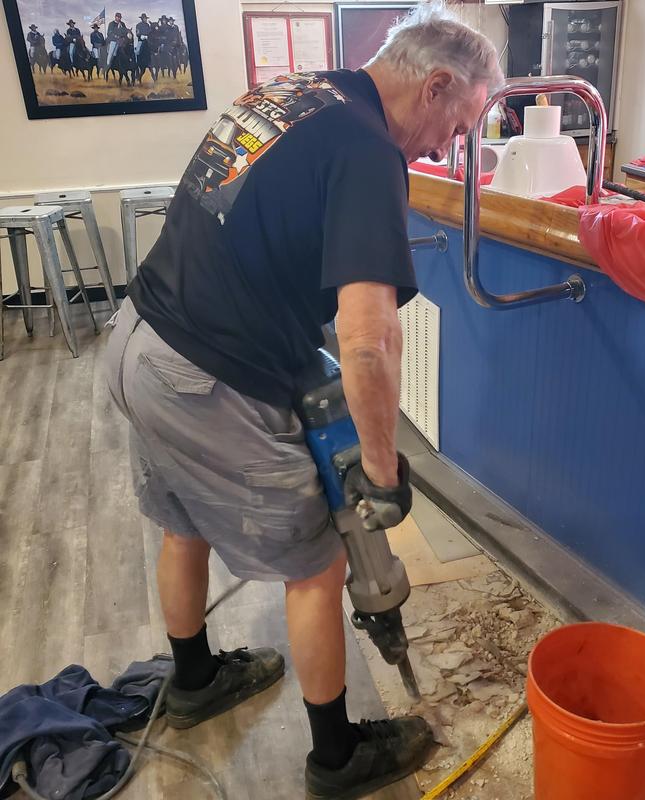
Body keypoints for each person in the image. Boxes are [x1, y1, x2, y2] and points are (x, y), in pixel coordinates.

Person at [103, 4, 501, 799]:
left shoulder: (301, 92)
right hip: (204, 377)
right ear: (437, 85)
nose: (451, 147)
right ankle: (336, 756)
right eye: (461, 124)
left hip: (137, 340)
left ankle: (195, 681)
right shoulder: (366, 149)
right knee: (317, 564)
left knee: (184, 524)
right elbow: (366, 340)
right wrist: (383, 475)